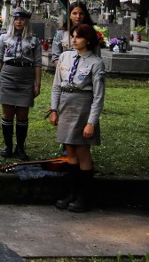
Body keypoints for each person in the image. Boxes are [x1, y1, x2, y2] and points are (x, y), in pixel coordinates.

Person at [50, 23, 105, 213]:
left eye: (78, 37)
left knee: (82, 151)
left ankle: (84, 196)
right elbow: (57, 85)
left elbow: (98, 96)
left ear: (88, 40)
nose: (73, 39)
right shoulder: (65, 57)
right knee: (70, 150)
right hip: (66, 104)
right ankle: (71, 193)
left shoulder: (95, 63)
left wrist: (91, 122)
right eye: (73, 36)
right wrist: (54, 109)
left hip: (83, 106)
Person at [0, 7, 42, 160]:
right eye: (16, 18)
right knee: (7, 113)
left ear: (26, 21)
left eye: (22, 19)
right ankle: (8, 146)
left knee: (22, 114)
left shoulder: (34, 40)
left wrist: (37, 84)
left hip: (25, 78)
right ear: (12, 20)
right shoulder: (4, 38)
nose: (18, 21)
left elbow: (38, 64)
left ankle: (20, 147)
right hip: (8, 75)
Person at [51, 1, 98, 66]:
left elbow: (97, 56)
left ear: (85, 15)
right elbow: (55, 57)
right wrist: (63, 70)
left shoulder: (91, 33)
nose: (78, 16)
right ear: (69, 15)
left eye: (81, 14)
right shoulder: (60, 33)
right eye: (74, 13)